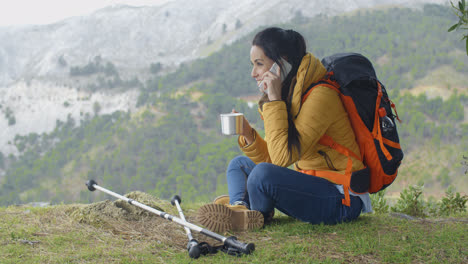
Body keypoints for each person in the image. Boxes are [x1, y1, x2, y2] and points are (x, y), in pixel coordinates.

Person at [197, 27, 372, 233]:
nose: (253, 73)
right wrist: (248, 134)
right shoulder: (292, 95)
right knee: (239, 165)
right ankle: (241, 209)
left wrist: (274, 100)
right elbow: (274, 159)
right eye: (253, 65)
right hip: (312, 186)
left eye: (259, 64)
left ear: (283, 63)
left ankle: (251, 209)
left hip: (342, 197)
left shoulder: (321, 96)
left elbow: (279, 161)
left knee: (261, 175)